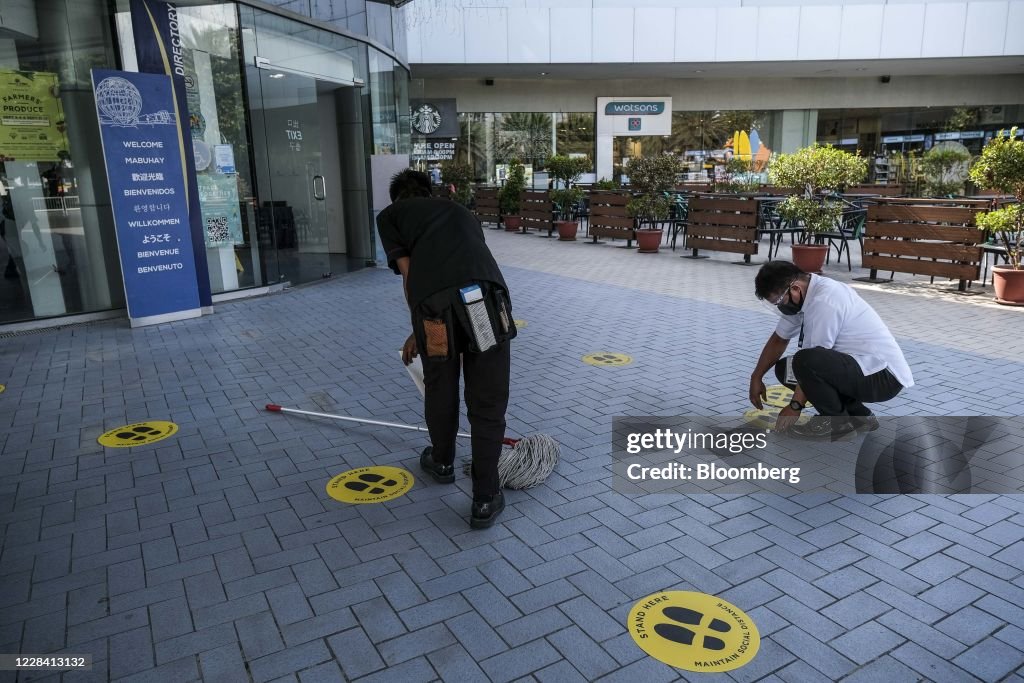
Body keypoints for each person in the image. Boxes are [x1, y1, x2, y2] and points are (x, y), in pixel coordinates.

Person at [376, 169, 516, 528]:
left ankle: (441, 462)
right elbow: (468, 261)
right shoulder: (458, 211)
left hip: (434, 310)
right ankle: (485, 498)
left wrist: (417, 330)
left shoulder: (391, 217)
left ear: (398, 198)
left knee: (440, 384)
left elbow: (410, 276)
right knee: (487, 398)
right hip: (483, 301)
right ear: (428, 192)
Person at [749, 261, 913, 439]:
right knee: (785, 369)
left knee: (804, 361)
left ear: (795, 288)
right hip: (861, 368)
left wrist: (795, 406)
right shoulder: (802, 298)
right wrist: (756, 376)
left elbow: (809, 363)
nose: (780, 306)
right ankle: (859, 416)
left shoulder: (825, 299)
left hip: (882, 376)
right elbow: (779, 339)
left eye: (779, 301)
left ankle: (837, 423)